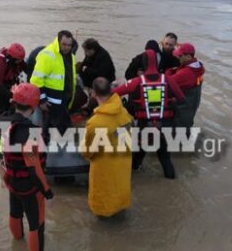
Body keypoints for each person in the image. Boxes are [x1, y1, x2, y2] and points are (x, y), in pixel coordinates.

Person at [0, 83, 53, 251]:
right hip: (29, 185)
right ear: (34, 106)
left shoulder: (0, 122)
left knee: (15, 211)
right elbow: (34, 168)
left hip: (10, 179)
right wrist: (47, 191)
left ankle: (17, 240)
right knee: (36, 223)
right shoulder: (31, 133)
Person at [113, 49, 185, 179]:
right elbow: (181, 99)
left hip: (145, 127)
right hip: (165, 127)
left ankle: (134, 178)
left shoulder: (136, 82)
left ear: (143, 64)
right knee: (165, 158)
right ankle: (171, 184)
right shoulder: (168, 79)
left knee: (137, 159)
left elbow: (113, 93)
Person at [81, 78, 133, 217]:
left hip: (104, 168)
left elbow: (87, 152)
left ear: (93, 94)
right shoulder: (124, 112)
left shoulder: (95, 123)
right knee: (120, 191)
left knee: (104, 202)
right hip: (123, 162)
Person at [30, 31, 77, 136]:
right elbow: (35, 80)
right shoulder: (47, 55)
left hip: (65, 99)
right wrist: (42, 100)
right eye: (64, 44)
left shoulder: (71, 56)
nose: (67, 48)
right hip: (53, 100)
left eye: (69, 45)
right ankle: (52, 143)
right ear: (58, 41)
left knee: (51, 123)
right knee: (61, 125)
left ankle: (46, 141)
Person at [167, 43, 205, 129]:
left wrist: (168, 71)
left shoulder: (185, 73)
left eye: (180, 56)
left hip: (181, 111)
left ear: (188, 56)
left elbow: (167, 82)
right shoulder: (199, 67)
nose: (178, 57)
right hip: (192, 107)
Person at [0, 43, 26, 114]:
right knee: (3, 107)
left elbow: (25, 67)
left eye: (22, 59)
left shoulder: (16, 59)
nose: (21, 61)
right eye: (19, 60)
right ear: (12, 58)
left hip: (5, 82)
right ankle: (2, 123)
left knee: (9, 104)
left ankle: (10, 119)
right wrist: (13, 96)